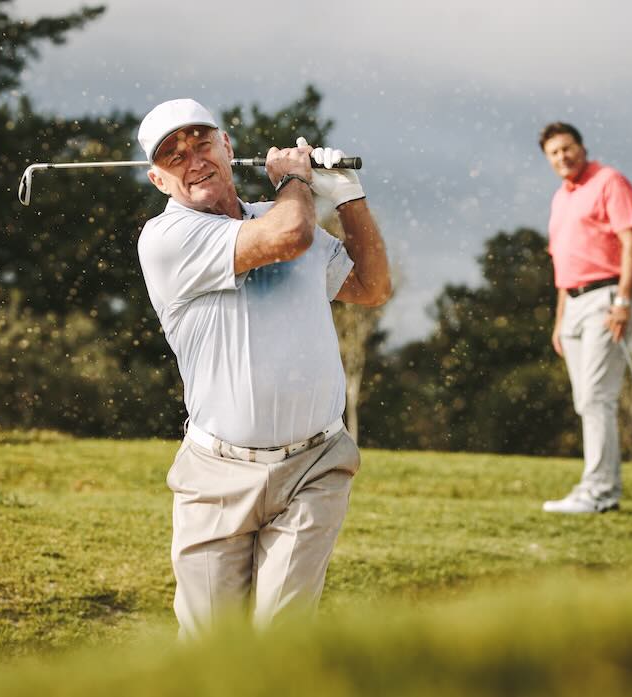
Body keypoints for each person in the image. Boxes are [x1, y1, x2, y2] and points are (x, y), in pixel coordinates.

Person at [135, 98, 391, 636]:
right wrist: (294, 179)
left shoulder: (281, 213)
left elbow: (372, 288)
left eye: (201, 142)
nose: (193, 159)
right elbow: (288, 236)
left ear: (227, 147)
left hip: (314, 466)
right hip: (216, 475)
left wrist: (350, 200)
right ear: (159, 180)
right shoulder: (165, 239)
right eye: (173, 156)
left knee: (282, 642)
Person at [539, 122, 632, 514]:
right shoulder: (560, 198)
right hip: (574, 304)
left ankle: (599, 492)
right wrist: (559, 321)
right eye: (554, 153)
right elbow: (564, 265)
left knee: (596, 398)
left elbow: (631, 241)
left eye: (567, 148)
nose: (562, 157)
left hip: (606, 295)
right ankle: (600, 488)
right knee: (586, 401)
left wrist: (624, 301)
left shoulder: (609, 181)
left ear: (581, 147)